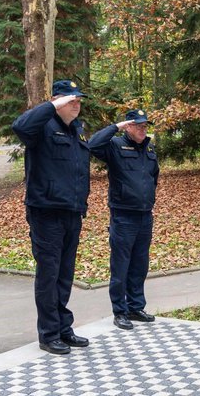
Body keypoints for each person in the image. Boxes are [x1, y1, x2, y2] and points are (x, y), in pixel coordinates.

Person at [12, 79, 91, 354]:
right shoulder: (41, 127)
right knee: (49, 274)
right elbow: (20, 127)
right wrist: (52, 105)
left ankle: (62, 327)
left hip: (71, 212)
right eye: (71, 100)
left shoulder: (77, 131)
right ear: (57, 101)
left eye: (79, 100)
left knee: (65, 274)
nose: (76, 104)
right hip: (46, 212)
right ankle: (48, 333)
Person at [88, 109, 159, 330]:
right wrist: (115, 127)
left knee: (140, 264)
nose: (142, 129)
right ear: (127, 127)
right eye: (137, 125)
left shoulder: (149, 148)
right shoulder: (115, 146)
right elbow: (92, 145)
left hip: (145, 215)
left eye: (144, 126)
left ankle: (136, 306)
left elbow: (153, 176)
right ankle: (120, 311)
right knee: (121, 266)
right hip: (123, 215)